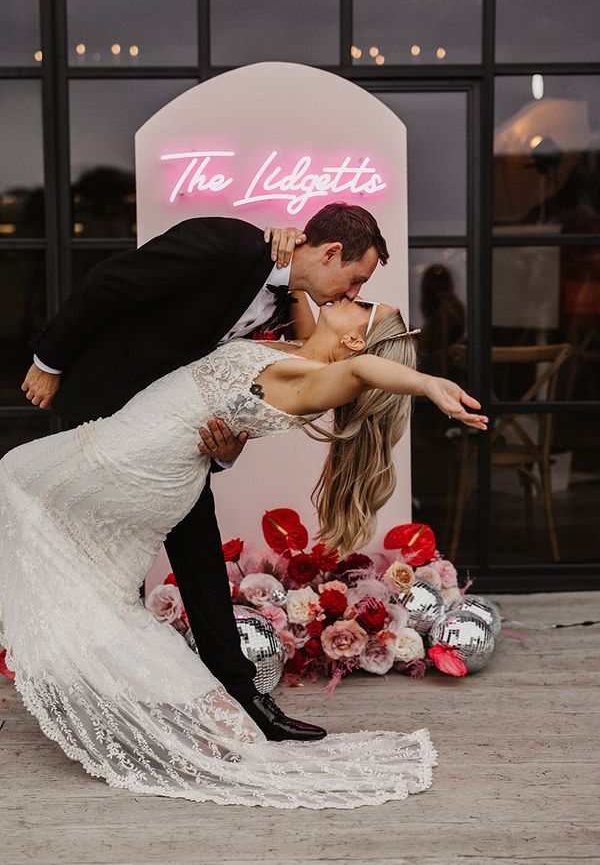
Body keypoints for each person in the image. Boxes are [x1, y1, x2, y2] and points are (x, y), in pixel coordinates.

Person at [0, 294, 486, 807]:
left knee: (16, 483)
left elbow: (364, 368)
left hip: (133, 464)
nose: (348, 294)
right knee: (96, 587)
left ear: (354, 339)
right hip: (145, 462)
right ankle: (205, 711)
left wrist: (428, 383)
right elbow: (302, 283)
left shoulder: (310, 380)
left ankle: (207, 714)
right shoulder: (303, 350)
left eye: (362, 303)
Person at [19, 202, 387, 742]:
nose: (350, 294)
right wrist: (48, 362)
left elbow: (237, 389)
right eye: (354, 279)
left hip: (174, 442)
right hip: (106, 408)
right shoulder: (225, 243)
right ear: (331, 252)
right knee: (94, 555)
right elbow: (108, 284)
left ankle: (239, 700)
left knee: (200, 564)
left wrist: (227, 449)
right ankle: (104, 697)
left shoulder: (288, 312)